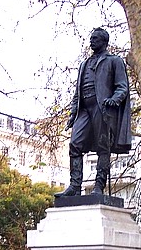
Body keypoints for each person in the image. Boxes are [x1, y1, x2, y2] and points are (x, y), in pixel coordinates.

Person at [55, 27, 132, 197]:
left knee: (103, 147)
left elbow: (122, 87)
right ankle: (75, 186)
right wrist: (73, 113)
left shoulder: (114, 61)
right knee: (75, 143)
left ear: (104, 41)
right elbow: (77, 92)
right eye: (91, 38)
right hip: (84, 108)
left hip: (102, 108)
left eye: (95, 38)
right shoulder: (84, 64)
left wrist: (114, 100)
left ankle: (99, 185)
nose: (91, 41)